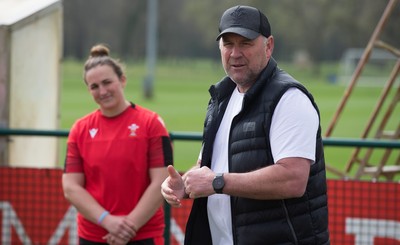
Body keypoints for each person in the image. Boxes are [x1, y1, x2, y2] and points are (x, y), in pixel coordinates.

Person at [161, 5, 330, 245]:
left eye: (246, 43)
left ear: (268, 46)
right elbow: (208, 166)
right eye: (228, 44)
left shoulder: (289, 99)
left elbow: (293, 179)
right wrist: (185, 184)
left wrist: (217, 182)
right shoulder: (223, 97)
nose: (235, 53)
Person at [62, 44, 173, 245]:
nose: (102, 91)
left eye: (107, 82)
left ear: (122, 80)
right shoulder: (79, 129)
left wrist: (128, 227)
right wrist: (107, 221)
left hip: (143, 234)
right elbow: (70, 187)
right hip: (94, 235)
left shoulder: (151, 123)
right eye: (94, 87)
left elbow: (161, 182)